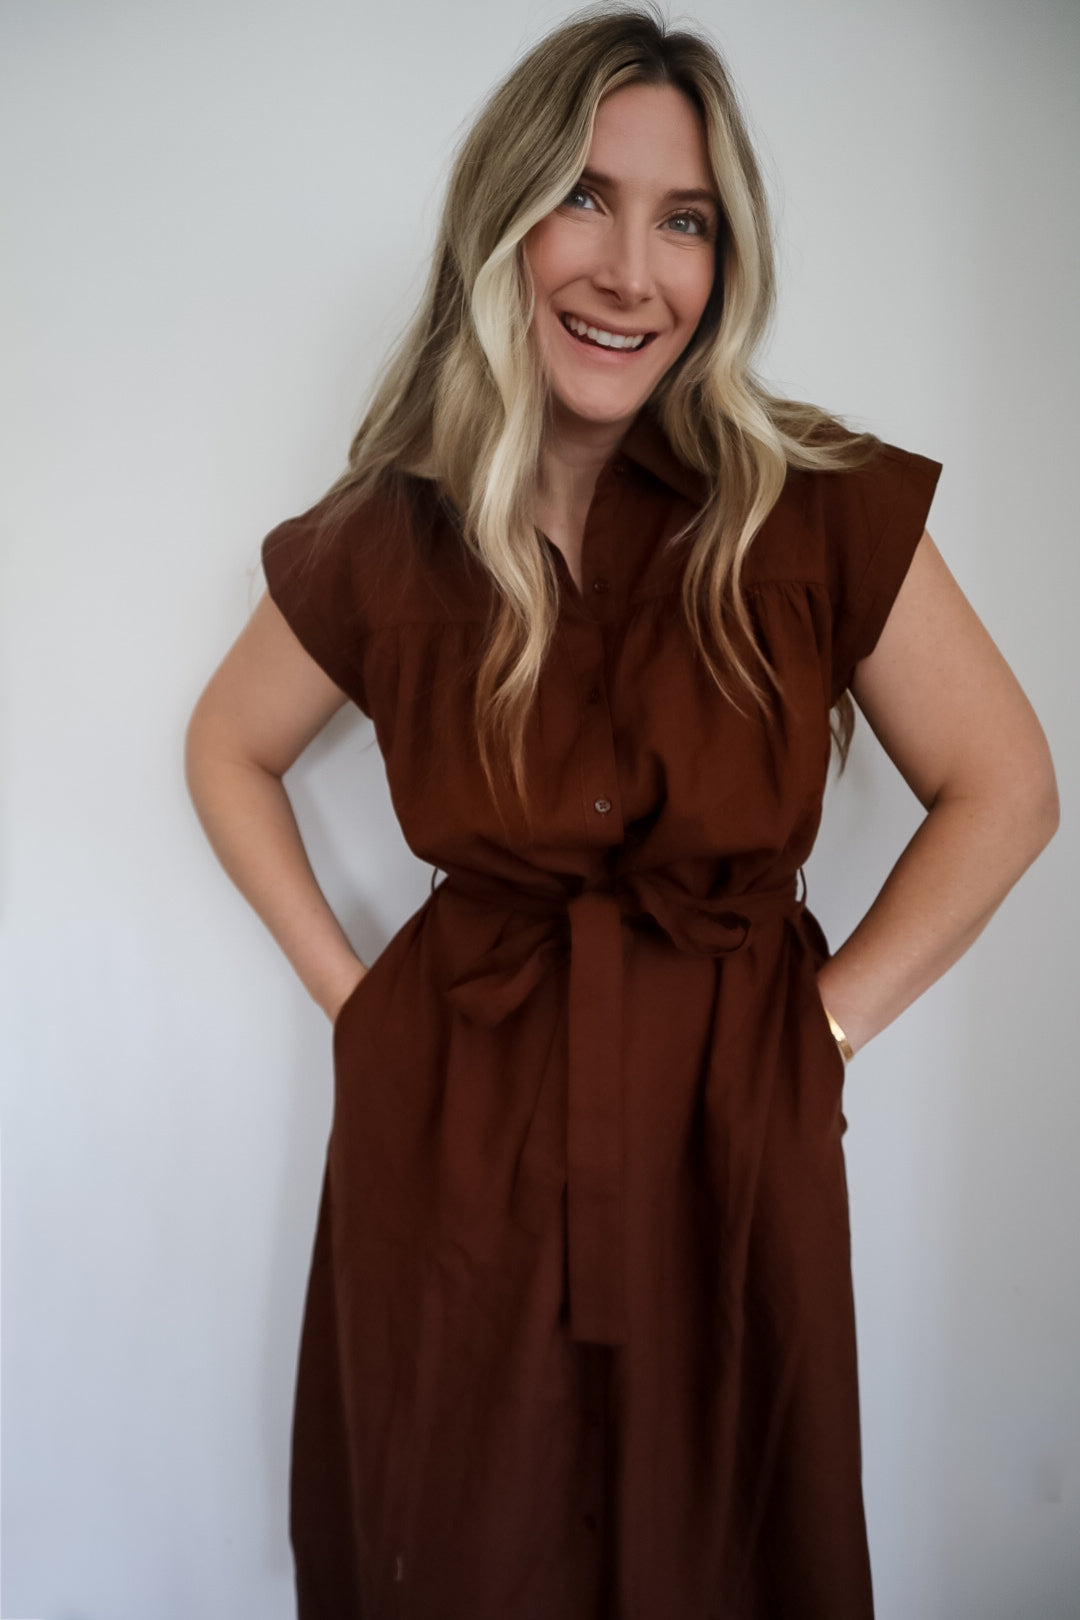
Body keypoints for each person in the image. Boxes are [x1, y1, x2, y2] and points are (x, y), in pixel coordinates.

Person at [184, 6, 1058, 1617]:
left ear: (726, 261)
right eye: (585, 199)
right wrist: (364, 1006)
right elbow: (227, 747)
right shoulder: (394, 531)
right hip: (459, 1124)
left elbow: (1006, 787)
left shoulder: (817, 507)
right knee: (465, 1539)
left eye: (686, 221)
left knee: (732, 1541)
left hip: (733, 1128)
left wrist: (822, 1032)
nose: (631, 271)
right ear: (503, 221)